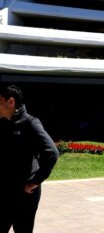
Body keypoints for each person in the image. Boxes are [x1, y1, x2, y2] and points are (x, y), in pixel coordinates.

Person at [0, 84, 59, 233]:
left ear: (10, 102)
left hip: (24, 193)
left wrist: (35, 181)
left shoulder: (30, 123)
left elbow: (52, 152)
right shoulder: (3, 123)